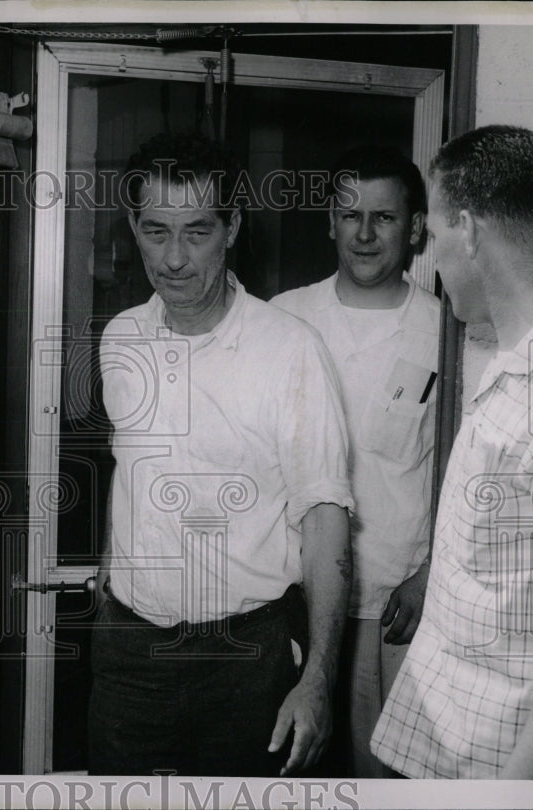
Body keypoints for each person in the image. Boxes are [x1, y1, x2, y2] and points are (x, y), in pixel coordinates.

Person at [88, 132, 355, 777]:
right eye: (155, 232)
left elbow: (325, 518)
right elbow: (131, 474)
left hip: (247, 659)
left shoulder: (290, 349)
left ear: (233, 227)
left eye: (198, 232)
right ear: (133, 225)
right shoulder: (120, 338)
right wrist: (106, 586)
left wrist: (318, 679)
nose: (175, 259)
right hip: (130, 653)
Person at [371, 125, 533, 779]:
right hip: (455, 753)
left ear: (471, 230)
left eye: (436, 234)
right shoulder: (526, 361)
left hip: (505, 774)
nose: (432, 259)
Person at [271, 146, 440, 777]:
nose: (364, 234)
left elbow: (464, 473)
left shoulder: (446, 329)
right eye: (350, 215)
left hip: (396, 607)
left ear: (417, 228)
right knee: (287, 772)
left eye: (385, 218)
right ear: (329, 222)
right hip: (292, 596)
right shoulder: (283, 318)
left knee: (381, 778)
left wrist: (430, 575)